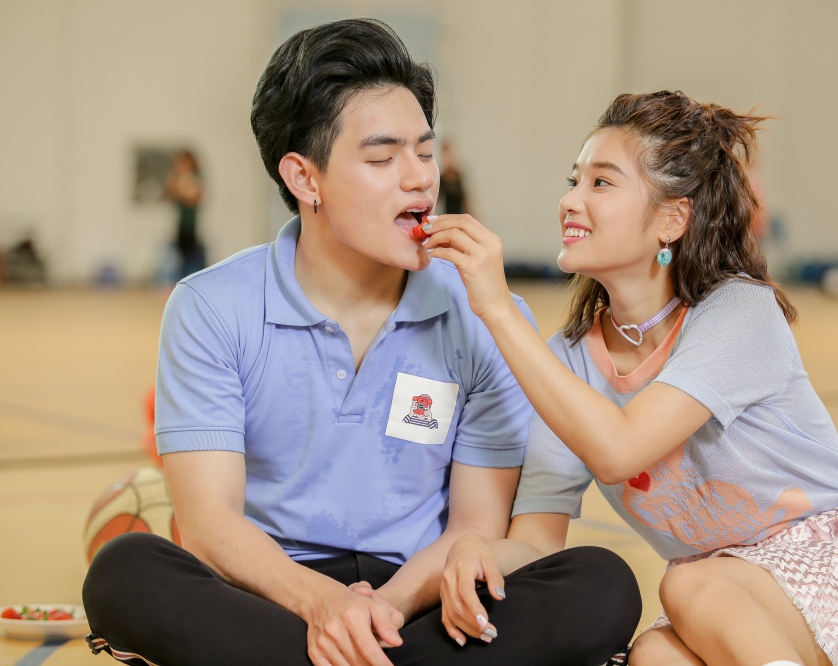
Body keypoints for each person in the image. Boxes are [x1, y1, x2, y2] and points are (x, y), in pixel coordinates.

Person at [81, 19, 640, 666]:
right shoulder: (210, 307)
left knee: (601, 583)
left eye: (425, 153)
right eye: (382, 159)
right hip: (275, 595)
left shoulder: (486, 315)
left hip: (420, 598)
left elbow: (475, 529)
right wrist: (324, 605)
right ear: (304, 178)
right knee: (125, 571)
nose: (419, 179)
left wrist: (385, 610)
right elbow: (210, 526)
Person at [423, 90, 838, 665]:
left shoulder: (739, 310)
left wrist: (497, 307)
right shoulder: (567, 362)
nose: (570, 201)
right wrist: (478, 550)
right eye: (574, 181)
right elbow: (536, 543)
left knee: (688, 585)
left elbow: (619, 450)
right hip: (729, 593)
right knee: (655, 655)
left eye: (600, 183)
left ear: (672, 220)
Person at [164, 149, 206, 280]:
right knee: (181, 255)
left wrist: (182, 193)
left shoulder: (194, 178)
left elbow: (194, 198)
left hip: (190, 224)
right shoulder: (180, 178)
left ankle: (193, 279)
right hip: (181, 223)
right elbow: (170, 194)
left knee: (191, 256)